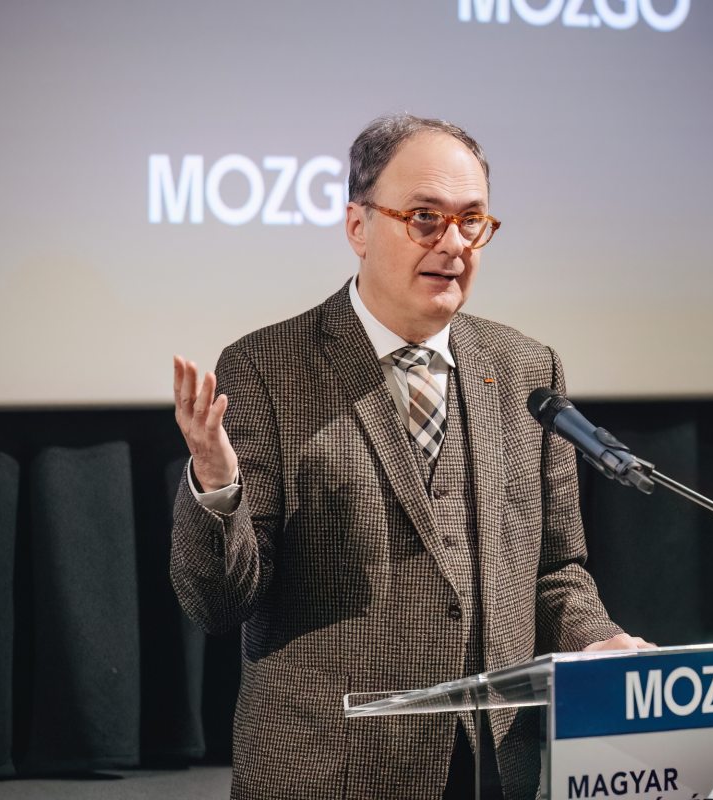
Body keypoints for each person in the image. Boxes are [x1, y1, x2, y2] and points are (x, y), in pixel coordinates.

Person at [170, 113, 649, 800]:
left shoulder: (525, 369)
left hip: (491, 768)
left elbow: (554, 570)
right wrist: (218, 488)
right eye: (425, 218)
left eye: (472, 221)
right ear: (358, 227)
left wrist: (597, 642)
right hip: (329, 772)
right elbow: (219, 604)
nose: (453, 244)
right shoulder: (267, 369)